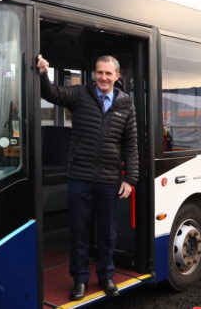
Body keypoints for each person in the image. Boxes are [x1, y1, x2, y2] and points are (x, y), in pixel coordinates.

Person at [37, 54, 138, 300]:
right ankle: (80, 280)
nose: (103, 77)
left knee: (107, 232)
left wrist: (130, 179)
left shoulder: (125, 103)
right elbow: (52, 94)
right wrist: (42, 74)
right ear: (95, 73)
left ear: (117, 76)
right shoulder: (80, 94)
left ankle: (106, 277)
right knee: (79, 232)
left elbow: (131, 143)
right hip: (79, 176)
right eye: (99, 72)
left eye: (108, 73)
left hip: (109, 179)